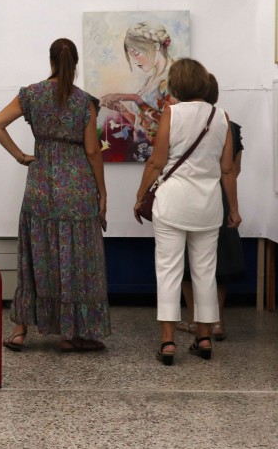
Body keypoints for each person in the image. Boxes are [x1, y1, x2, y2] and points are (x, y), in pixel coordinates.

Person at [0, 38, 110, 353]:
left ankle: (19, 331)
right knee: (76, 259)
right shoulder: (84, 101)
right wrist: (102, 192)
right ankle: (71, 334)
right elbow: (93, 151)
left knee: (35, 255)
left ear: (51, 60)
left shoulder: (31, 94)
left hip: (41, 185)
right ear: (76, 62)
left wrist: (20, 156)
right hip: (78, 187)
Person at [133, 58, 240, 365]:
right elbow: (227, 170)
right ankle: (204, 338)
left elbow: (156, 162)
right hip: (208, 206)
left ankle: (168, 343)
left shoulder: (172, 113)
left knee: (169, 270)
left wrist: (140, 196)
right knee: (205, 271)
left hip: (173, 203)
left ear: (176, 84)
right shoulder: (221, 116)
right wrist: (234, 209)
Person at [176, 74, 243, 340]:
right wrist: (234, 208)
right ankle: (217, 321)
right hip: (219, 197)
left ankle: (195, 320)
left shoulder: (177, 121)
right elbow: (234, 170)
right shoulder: (230, 125)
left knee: (186, 260)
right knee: (219, 260)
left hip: (185, 198)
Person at [99, 22, 177, 161]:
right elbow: (144, 124)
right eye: (131, 56)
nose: (134, 61)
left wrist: (134, 98)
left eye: (136, 53)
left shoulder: (174, 77)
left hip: (161, 157)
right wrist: (123, 111)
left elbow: (169, 123)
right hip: (142, 154)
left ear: (156, 46)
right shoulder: (150, 80)